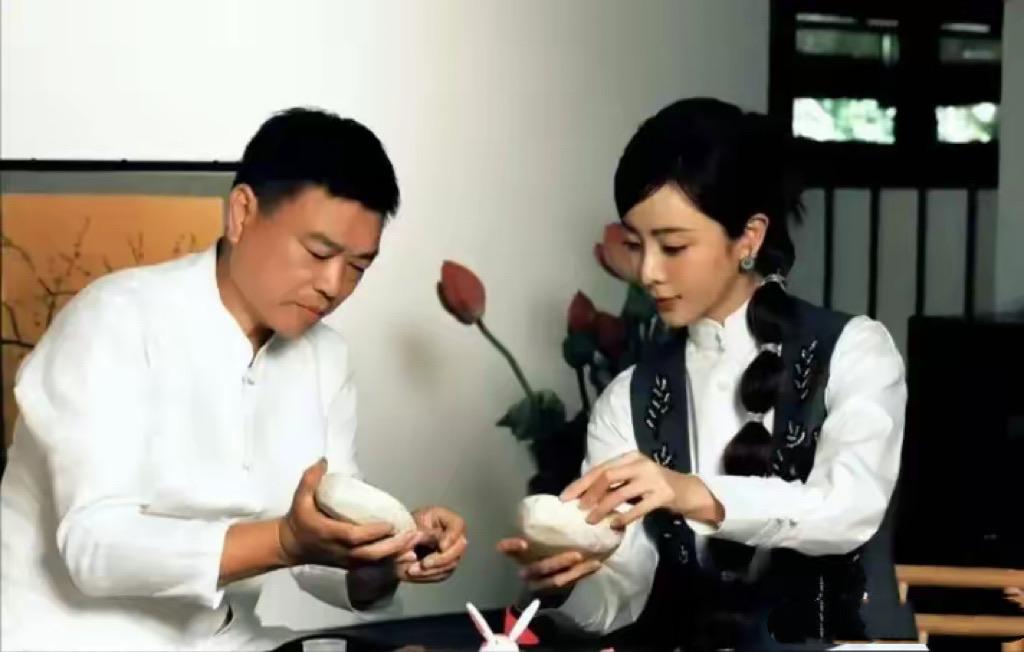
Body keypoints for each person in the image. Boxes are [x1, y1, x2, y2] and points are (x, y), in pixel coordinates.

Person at [0, 108, 468, 651]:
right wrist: (284, 541)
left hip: (225, 639)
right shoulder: (115, 319)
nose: (333, 285)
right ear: (242, 213)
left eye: (358, 267)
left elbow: (321, 558)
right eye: (318, 252)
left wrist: (387, 553)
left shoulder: (326, 357)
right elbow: (95, 549)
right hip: (67, 637)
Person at [498, 97, 908, 649]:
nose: (648, 271)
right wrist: (575, 574)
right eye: (636, 244)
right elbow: (625, 595)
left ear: (749, 237)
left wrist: (691, 492)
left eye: (673, 246)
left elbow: (848, 509)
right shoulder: (629, 397)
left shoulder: (855, 350)